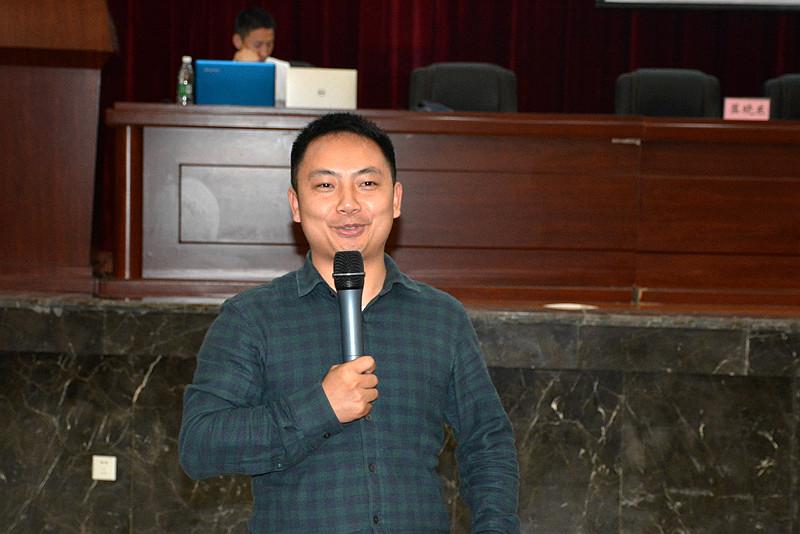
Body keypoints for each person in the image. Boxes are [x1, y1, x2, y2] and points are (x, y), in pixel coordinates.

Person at [179, 112, 520, 533]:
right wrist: (319, 407)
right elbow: (200, 445)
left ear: (396, 199)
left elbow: (487, 442)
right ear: (296, 205)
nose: (348, 204)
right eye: (325, 185)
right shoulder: (251, 318)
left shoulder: (441, 317)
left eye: (367, 184)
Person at [231, 5, 290, 106]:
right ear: (238, 41)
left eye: (269, 44)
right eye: (257, 45)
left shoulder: (284, 70)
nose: (264, 53)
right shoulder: (220, 74)